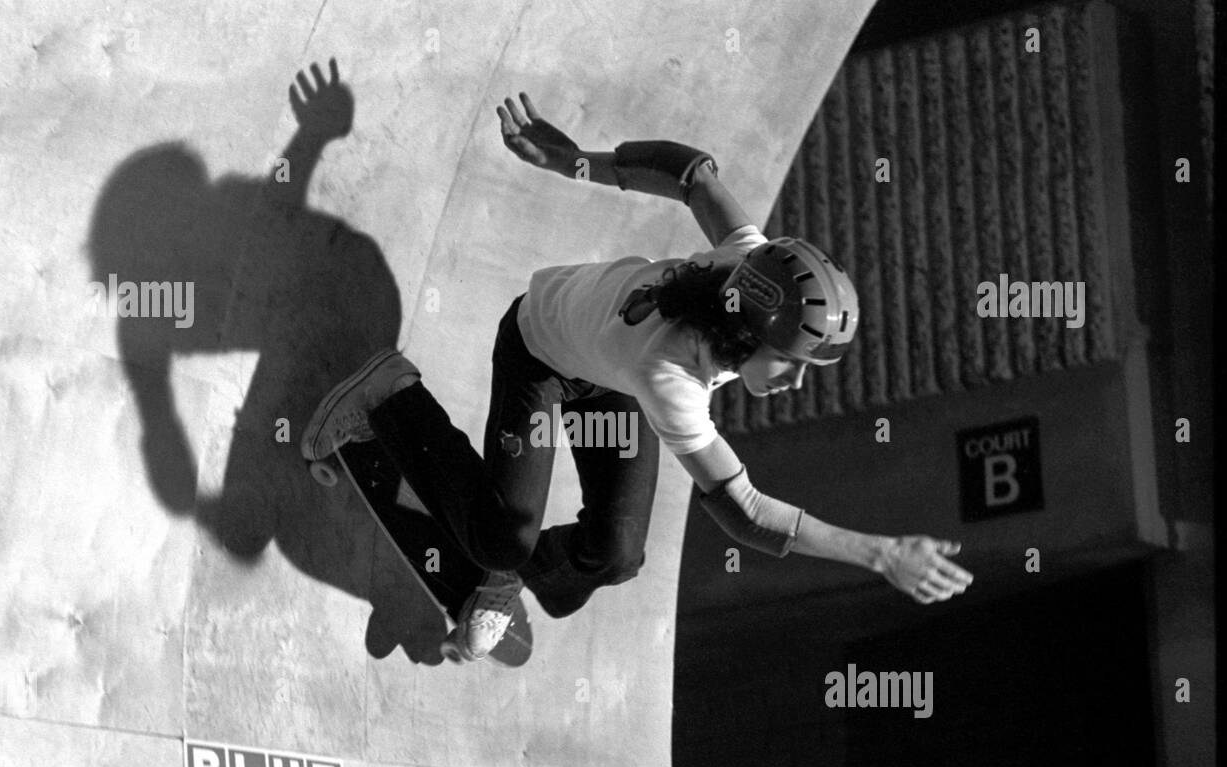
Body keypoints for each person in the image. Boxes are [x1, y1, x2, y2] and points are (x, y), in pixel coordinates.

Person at [302, 92, 973, 663]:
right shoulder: (670, 377)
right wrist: (879, 554)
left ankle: (511, 572)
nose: (797, 382)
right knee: (500, 535)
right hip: (539, 354)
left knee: (616, 556)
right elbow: (747, 513)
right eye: (794, 364)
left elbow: (692, 174)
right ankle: (391, 400)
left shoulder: (748, 262)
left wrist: (575, 161)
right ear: (749, 335)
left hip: (606, 377)